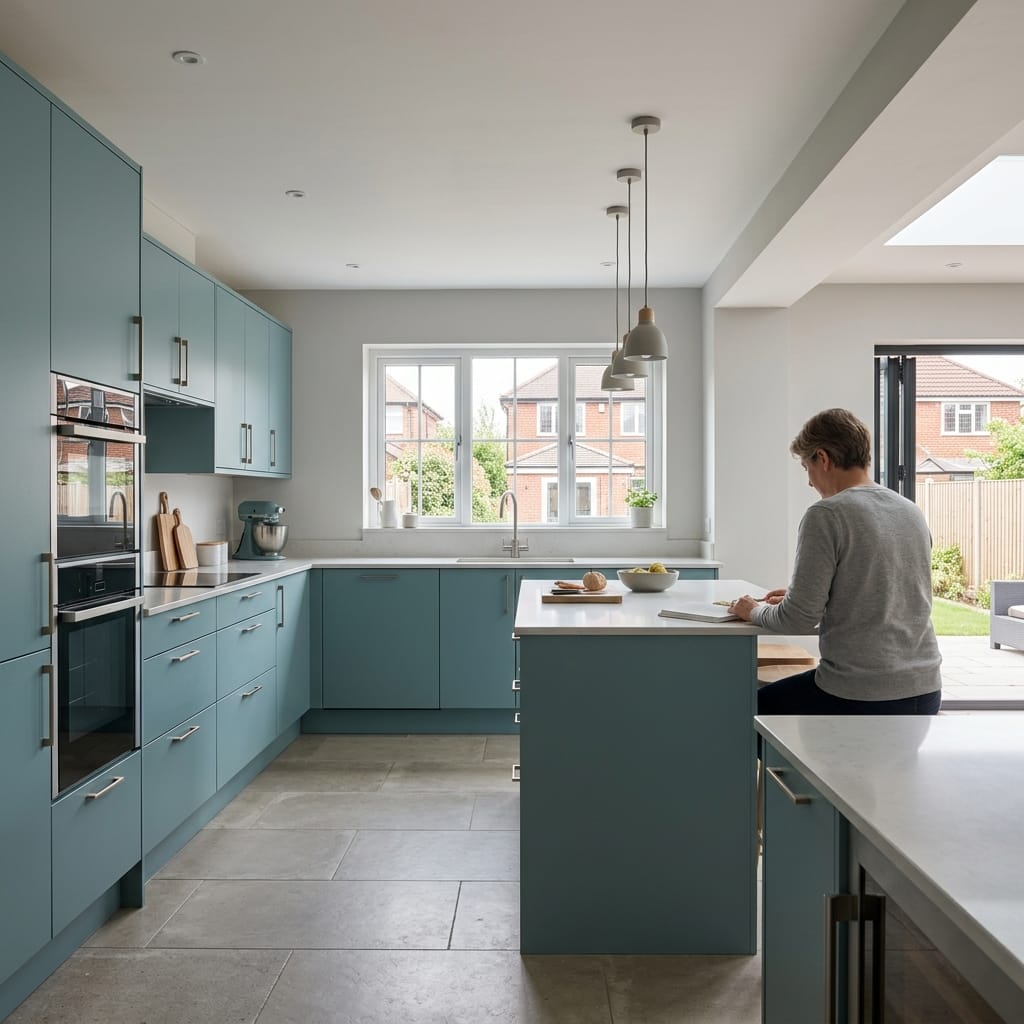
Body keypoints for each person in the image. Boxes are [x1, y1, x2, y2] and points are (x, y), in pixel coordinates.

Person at [729, 407, 942, 715]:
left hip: (859, 692)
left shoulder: (827, 514)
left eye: (806, 468)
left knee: (743, 711)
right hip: (925, 689)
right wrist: (797, 597)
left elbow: (797, 620)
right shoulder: (910, 510)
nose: (809, 482)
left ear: (823, 458)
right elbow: (885, 589)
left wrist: (755, 611)